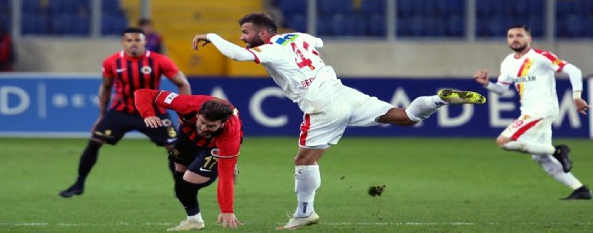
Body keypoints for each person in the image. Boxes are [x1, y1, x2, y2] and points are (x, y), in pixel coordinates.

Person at [191, 12, 487, 230]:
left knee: (305, 160)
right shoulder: (299, 37)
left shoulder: (270, 49)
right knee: (405, 117)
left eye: (246, 32)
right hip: (343, 92)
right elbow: (316, 41)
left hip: (321, 104)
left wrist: (212, 36)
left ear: (264, 34)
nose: (243, 38)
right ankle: (439, 100)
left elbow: (237, 56)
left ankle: (305, 212)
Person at [59, 27, 191, 198]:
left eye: (137, 40)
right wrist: (101, 115)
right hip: (122, 112)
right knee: (94, 142)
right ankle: (78, 184)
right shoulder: (112, 62)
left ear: (145, 41)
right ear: (123, 42)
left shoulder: (159, 60)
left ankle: (181, 188)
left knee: (174, 149)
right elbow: (106, 88)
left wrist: (184, 113)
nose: (133, 44)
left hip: (153, 112)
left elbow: (183, 84)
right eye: (129, 40)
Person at [473, 24, 592, 200]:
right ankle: (580, 189)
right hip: (529, 110)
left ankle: (556, 150)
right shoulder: (508, 62)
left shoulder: (540, 57)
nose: (514, 39)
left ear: (529, 38)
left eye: (519, 35)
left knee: (503, 141)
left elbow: (573, 70)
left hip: (542, 109)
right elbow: (502, 89)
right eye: (510, 36)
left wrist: (577, 96)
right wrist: (487, 84)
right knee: (540, 158)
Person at [135, 89, 243, 231]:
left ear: (222, 124)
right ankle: (194, 220)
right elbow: (143, 93)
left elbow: (226, 177)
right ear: (198, 114)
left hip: (214, 145)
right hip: (187, 135)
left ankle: (225, 160)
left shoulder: (230, 133)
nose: (204, 128)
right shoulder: (186, 104)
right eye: (202, 122)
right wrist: (148, 114)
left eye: (211, 126)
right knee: (179, 179)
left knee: (189, 181)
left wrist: (227, 210)